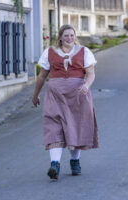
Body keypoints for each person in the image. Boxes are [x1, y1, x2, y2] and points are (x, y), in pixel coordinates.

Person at [32, 24, 98, 180]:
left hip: (78, 95)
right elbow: (42, 76)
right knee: (53, 126)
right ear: (60, 37)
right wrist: (35, 95)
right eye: (66, 35)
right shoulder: (49, 53)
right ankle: (54, 164)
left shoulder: (84, 52)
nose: (70, 38)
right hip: (55, 95)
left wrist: (86, 86)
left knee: (76, 126)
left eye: (72, 35)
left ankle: (75, 161)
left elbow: (91, 74)